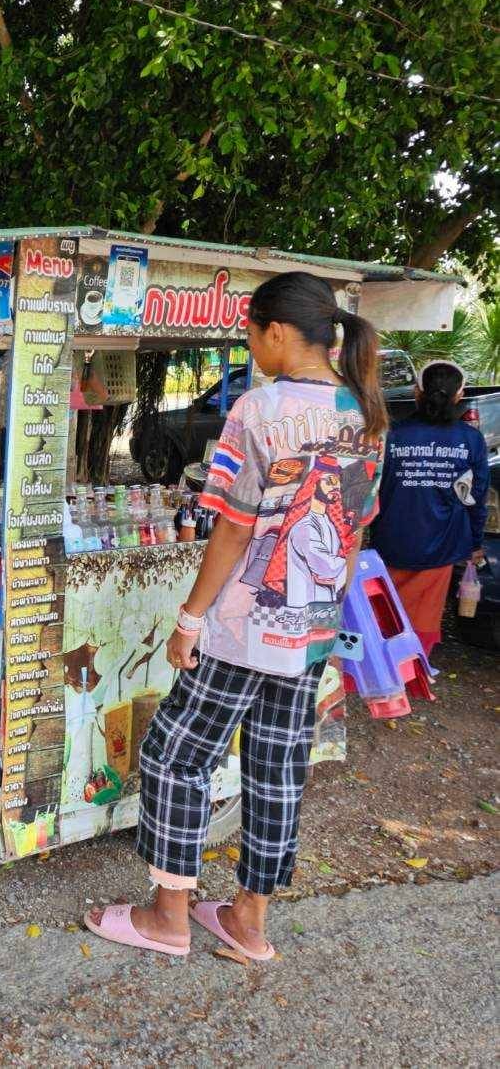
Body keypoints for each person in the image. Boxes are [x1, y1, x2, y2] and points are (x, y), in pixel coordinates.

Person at [86, 271, 387, 962]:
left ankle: (168, 916)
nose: (250, 346)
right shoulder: (364, 413)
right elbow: (355, 528)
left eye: (250, 333)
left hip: (244, 627)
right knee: (278, 767)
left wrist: (190, 618)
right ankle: (248, 923)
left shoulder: (259, 409)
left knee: (172, 756)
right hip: (309, 626)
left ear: (275, 332)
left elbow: (230, 529)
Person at [370, 359, 490, 656]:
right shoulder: (470, 439)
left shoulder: (392, 434)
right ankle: (414, 667)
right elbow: (476, 496)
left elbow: (371, 489)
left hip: (391, 537)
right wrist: (475, 542)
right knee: (424, 611)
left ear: (416, 391)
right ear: (459, 395)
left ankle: (384, 665)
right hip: (443, 541)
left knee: (386, 605)